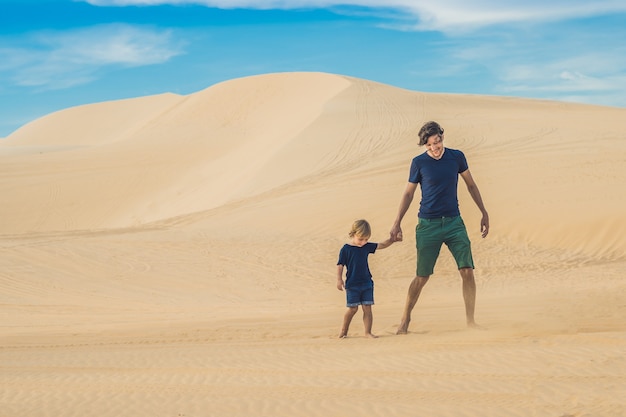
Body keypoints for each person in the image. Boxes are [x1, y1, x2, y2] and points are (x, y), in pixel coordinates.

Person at [390, 121, 489, 334]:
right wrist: (397, 221)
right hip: (428, 225)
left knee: (467, 270)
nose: (436, 148)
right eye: (430, 145)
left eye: (438, 141)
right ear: (425, 145)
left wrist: (484, 212)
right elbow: (408, 193)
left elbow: (471, 185)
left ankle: (470, 321)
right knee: (422, 276)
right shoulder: (418, 163)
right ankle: (405, 321)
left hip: (454, 222)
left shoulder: (457, 157)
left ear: (442, 137)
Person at [337, 219, 395, 338]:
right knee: (353, 309)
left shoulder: (366, 246)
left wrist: (392, 240)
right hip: (352, 284)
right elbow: (340, 265)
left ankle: (368, 332)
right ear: (353, 234)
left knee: (367, 308)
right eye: (361, 239)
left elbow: (382, 245)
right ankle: (343, 331)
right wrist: (339, 279)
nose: (363, 242)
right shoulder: (346, 249)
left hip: (367, 283)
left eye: (366, 239)